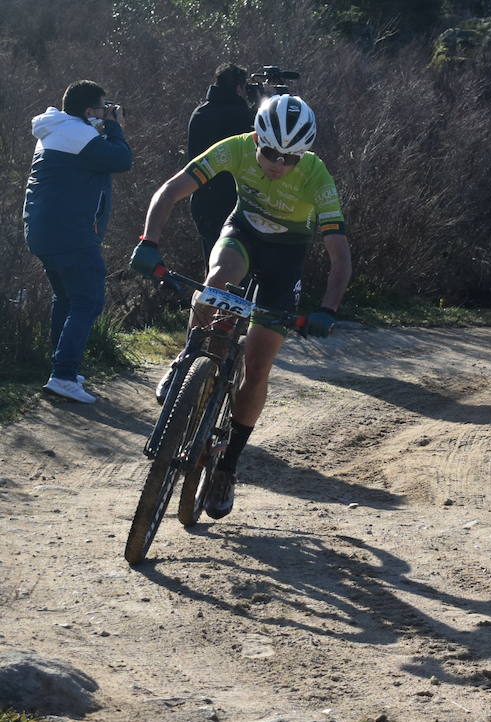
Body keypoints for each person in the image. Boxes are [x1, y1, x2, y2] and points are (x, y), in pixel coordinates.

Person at [130, 94, 351, 519]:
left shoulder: (316, 175)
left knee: (259, 362)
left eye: (290, 156)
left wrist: (328, 309)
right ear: (256, 139)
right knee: (216, 282)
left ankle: (227, 466)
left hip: (286, 258)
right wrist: (148, 240)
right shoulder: (234, 147)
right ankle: (187, 358)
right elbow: (171, 190)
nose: (278, 164)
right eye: (269, 152)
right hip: (243, 234)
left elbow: (339, 255)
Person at [22, 79, 134, 404]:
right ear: (89, 111)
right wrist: (114, 127)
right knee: (89, 300)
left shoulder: (57, 130)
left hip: (44, 231)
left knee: (66, 298)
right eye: (103, 107)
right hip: (69, 233)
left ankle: (61, 368)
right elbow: (121, 160)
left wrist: (104, 124)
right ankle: (64, 375)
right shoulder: (79, 135)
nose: (107, 111)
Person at [187, 63, 254, 260]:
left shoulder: (200, 112)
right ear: (239, 88)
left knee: (212, 264)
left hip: (202, 199)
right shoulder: (238, 116)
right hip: (229, 203)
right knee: (235, 267)